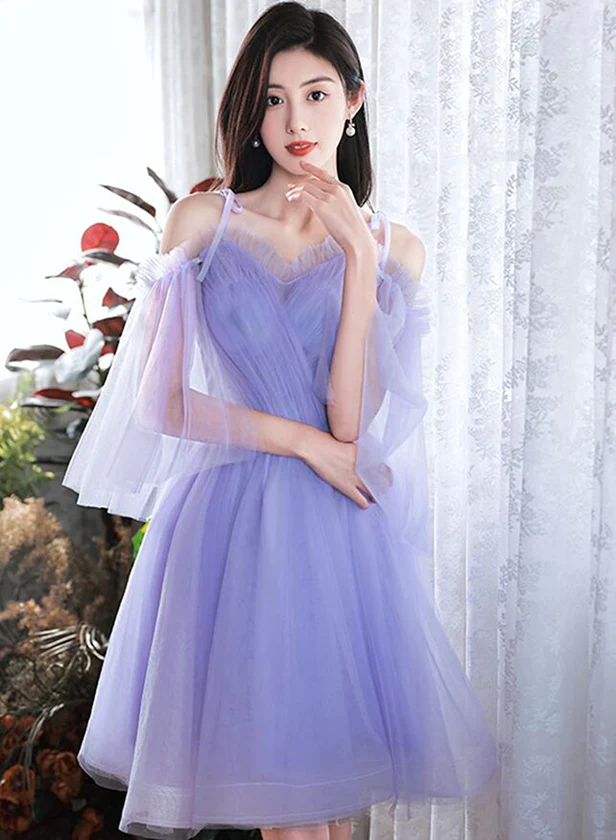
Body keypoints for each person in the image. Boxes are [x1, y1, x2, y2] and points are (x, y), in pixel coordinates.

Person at [62, 3, 498, 839]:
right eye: (273, 98)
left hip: (340, 533)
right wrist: (300, 443)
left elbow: (348, 419)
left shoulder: (393, 249)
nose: (296, 121)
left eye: (317, 94)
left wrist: (359, 254)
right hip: (231, 526)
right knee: (287, 815)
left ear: (354, 101)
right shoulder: (203, 225)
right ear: (250, 111)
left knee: (334, 812)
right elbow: (162, 402)